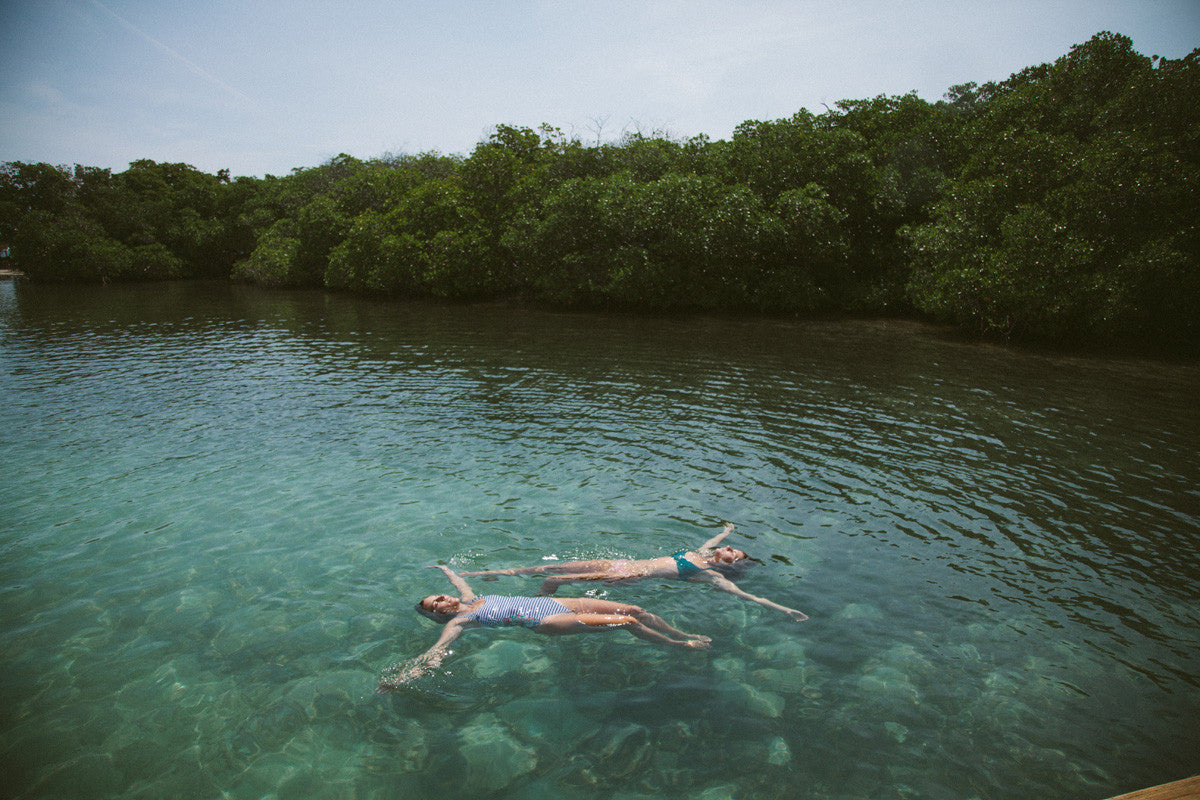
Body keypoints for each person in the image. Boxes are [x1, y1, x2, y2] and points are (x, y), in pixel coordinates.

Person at [378, 565, 711, 690]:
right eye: (434, 607)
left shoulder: (470, 599)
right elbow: (437, 651)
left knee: (634, 608)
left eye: (437, 597)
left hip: (556, 603)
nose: (440, 602)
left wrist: (444, 568)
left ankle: (684, 634)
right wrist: (408, 675)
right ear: (438, 615)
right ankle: (679, 647)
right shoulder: (462, 620)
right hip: (546, 620)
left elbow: (455, 579)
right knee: (626, 622)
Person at [459, 523, 809, 621]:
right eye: (731, 548)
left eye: (732, 555)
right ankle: (490, 575)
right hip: (618, 563)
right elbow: (712, 539)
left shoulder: (710, 575)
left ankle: (524, 607)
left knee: (555, 580)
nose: (727, 551)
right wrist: (726, 531)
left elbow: (745, 595)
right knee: (547, 566)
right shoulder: (703, 551)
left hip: (627, 575)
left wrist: (781, 608)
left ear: (729, 566)